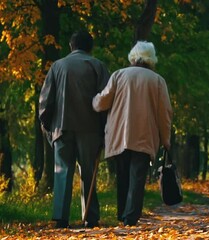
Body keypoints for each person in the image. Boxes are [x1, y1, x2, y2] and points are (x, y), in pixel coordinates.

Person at [92, 41, 173, 226]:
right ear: (151, 59)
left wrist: (93, 99)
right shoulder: (158, 81)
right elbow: (165, 113)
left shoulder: (118, 75)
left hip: (119, 134)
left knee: (122, 176)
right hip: (144, 135)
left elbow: (101, 103)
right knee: (137, 177)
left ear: (132, 56)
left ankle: (121, 214)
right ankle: (131, 216)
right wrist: (165, 139)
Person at [39, 30, 110, 228]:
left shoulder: (57, 66)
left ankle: (61, 218)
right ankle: (90, 216)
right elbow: (107, 101)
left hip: (62, 128)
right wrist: (106, 129)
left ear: (71, 46)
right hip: (90, 129)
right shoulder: (98, 66)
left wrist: (47, 126)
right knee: (88, 172)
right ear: (91, 47)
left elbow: (45, 101)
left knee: (62, 171)